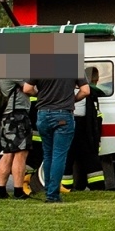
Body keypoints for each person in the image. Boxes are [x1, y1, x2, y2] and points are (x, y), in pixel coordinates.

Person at [33, 70, 90, 203]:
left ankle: (48, 190)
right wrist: (73, 99)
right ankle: (52, 195)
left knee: (47, 154)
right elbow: (86, 91)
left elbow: (27, 88)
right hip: (63, 114)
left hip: (43, 114)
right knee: (59, 155)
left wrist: (41, 96)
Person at [63, 65, 106, 191]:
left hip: (75, 124)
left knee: (69, 156)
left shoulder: (66, 85)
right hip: (84, 126)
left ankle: (67, 186)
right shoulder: (89, 90)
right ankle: (96, 186)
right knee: (88, 156)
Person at [0, 76, 35, 200]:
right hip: (17, 116)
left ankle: (2, 191)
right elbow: (28, 89)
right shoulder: (13, 67)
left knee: (7, 153)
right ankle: (18, 191)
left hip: (6, 117)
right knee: (20, 153)